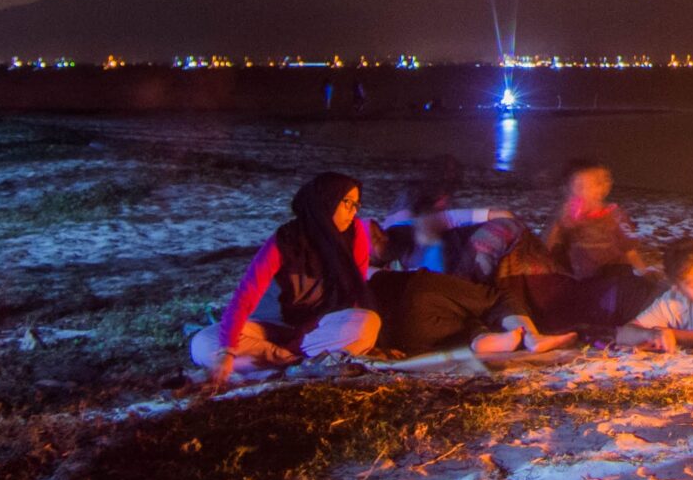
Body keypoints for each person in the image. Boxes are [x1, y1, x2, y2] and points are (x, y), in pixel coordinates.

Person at [191, 171, 382, 383]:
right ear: (327, 201)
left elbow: (355, 291)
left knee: (367, 323)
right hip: (269, 328)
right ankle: (298, 364)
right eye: (348, 203)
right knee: (202, 343)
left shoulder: (354, 236)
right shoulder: (287, 240)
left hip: (314, 330)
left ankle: (271, 369)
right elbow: (246, 294)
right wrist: (227, 351)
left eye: (357, 205)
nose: (353, 211)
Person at [380, 172, 522, 284]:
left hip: (472, 250)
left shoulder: (415, 227)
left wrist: (494, 215)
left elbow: (453, 218)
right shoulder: (405, 229)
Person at [542, 158, 647, 280]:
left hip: (612, 281)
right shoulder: (565, 217)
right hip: (579, 282)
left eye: (604, 181)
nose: (604, 185)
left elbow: (631, 252)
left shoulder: (615, 215)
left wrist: (644, 274)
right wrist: (558, 222)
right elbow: (545, 249)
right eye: (577, 185)